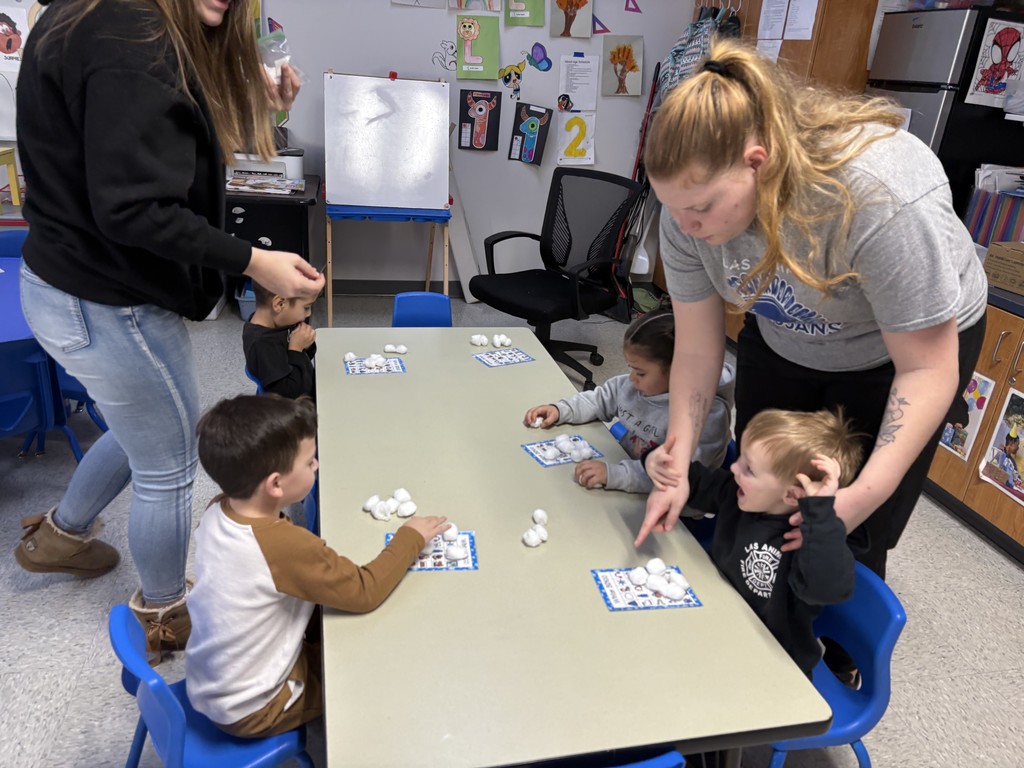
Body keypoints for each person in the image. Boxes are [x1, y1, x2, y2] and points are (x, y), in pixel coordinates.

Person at [14, 0, 325, 657]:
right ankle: (164, 612)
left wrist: (247, 102)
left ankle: (62, 535)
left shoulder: (91, 16)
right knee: (170, 466)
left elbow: (154, 145)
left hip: (66, 283)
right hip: (108, 300)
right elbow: (135, 207)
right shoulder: (134, 35)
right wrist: (255, 260)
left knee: (144, 426)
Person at [635, 37, 987, 583]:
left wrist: (858, 501)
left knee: (844, 519)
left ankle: (840, 650)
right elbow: (698, 349)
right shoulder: (686, 214)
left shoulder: (877, 197)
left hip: (902, 352)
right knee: (763, 481)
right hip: (785, 328)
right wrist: (677, 462)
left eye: (701, 207)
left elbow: (926, 369)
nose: (686, 227)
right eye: (673, 208)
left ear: (758, 163)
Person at [186, 394, 448, 736]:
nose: (317, 466)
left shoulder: (217, 509)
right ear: (276, 484)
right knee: (381, 665)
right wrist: (410, 536)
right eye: (310, 462)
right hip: (256, 707)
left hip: (215, 683)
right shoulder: (282, 545)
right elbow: (364, 590)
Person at [686, 408, 863, 678]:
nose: (734, 468)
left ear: (792, 495)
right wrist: (658, 462)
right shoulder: (738, 495)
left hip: (773, 667)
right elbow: (699, 482)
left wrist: (820, 514)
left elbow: (830, 588)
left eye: (749, 469)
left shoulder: (810, 544)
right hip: (718, 627)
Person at [523, 309, 734, 494]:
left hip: (673, 506)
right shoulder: (633, 385)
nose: (631, 378)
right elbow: (599, 400)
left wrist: (617, 475)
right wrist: (560, 410)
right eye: (631, 368)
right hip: (628, 472)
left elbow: (678, 476)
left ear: (678, 373)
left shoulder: (707, 417)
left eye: (640, 373)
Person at [243, 281, 317, 400]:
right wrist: (296, 349)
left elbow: (307, 356)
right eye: (306, 307)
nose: (309, 313)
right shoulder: (262, 345)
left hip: (307, 385)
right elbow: (288, 396)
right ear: (279, 304)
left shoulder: (282, 321)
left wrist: (306, 343)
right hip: (296, 408)